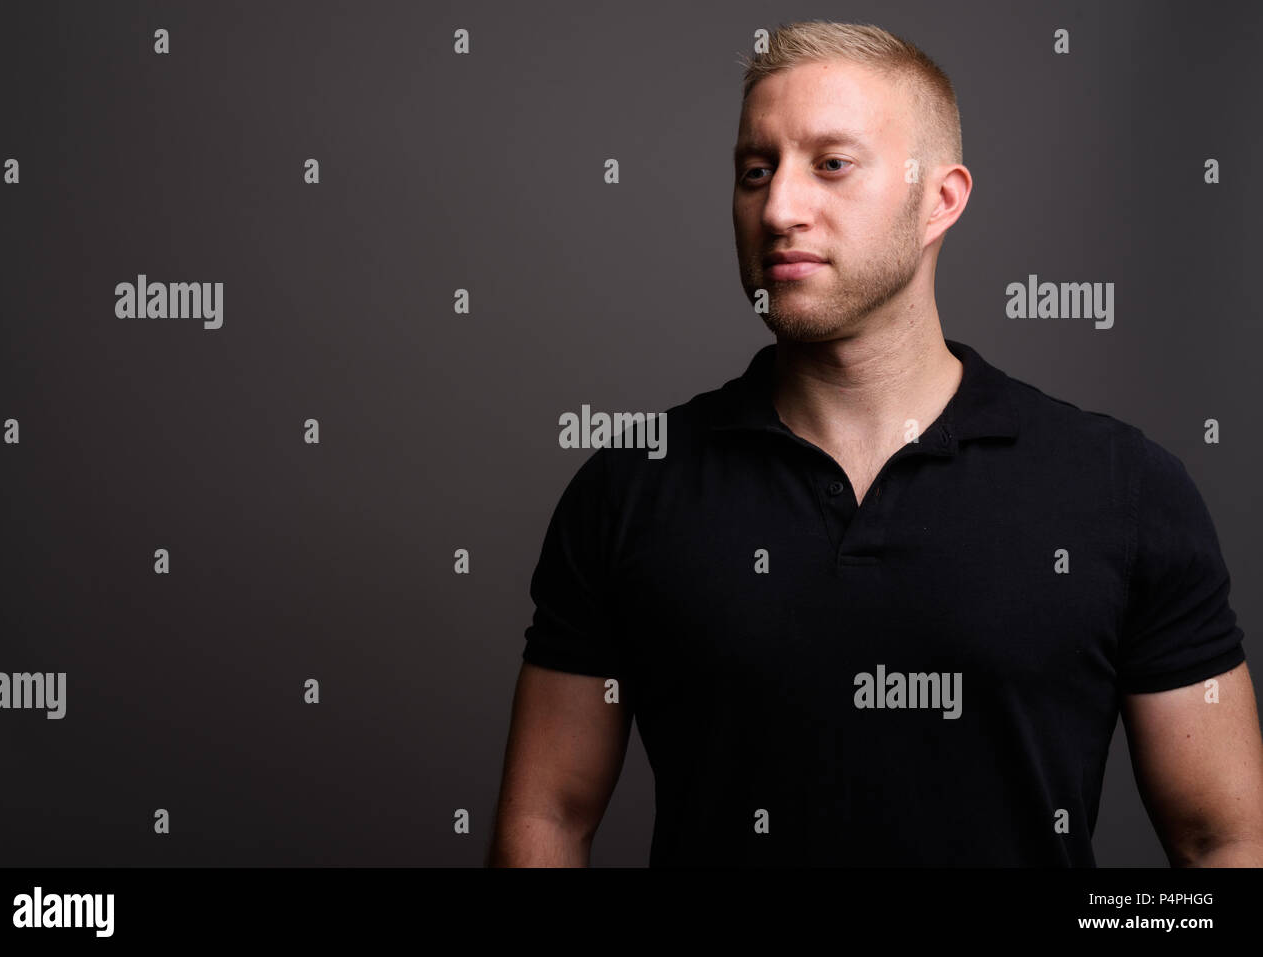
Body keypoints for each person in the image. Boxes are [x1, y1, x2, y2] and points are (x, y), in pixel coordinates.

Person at [487, 20, 1263, 866]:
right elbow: (547, 823)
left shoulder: (1124, 489)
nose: (779, 208)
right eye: (757, 170)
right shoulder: (629, 488)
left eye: (831, 164)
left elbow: (1223, 840)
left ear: (942, 198)